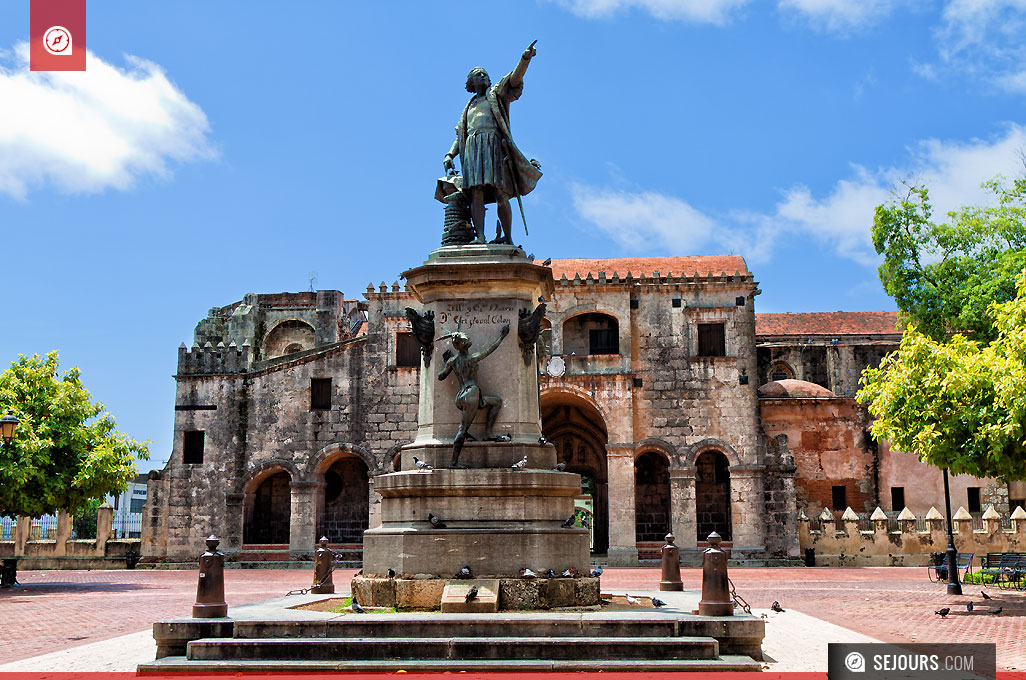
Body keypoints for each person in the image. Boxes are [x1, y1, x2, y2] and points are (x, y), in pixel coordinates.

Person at [443, 42, 542, 245]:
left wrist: (524, 60)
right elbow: (459, 135)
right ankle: (480, 236)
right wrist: (450, 155)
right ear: (471, 83)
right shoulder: (468, 107)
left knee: (501, 192)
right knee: (476, 193)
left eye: (485, 74)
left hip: (493, 146)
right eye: (479, 74)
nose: (484, 76)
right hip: (471, 148)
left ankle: (508, 237)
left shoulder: (495, 95)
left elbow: (514, 79)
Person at [437, 324, 509, 466]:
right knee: (462, 430)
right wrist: (502, 336)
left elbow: (440, 376)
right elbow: (489, 349)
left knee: (496, 402)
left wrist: (446, 362)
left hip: (464, 395)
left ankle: (488, 433)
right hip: (471, 393)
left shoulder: (453, 361)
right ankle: (453, 463)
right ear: (465, 345)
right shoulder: (472, 358)